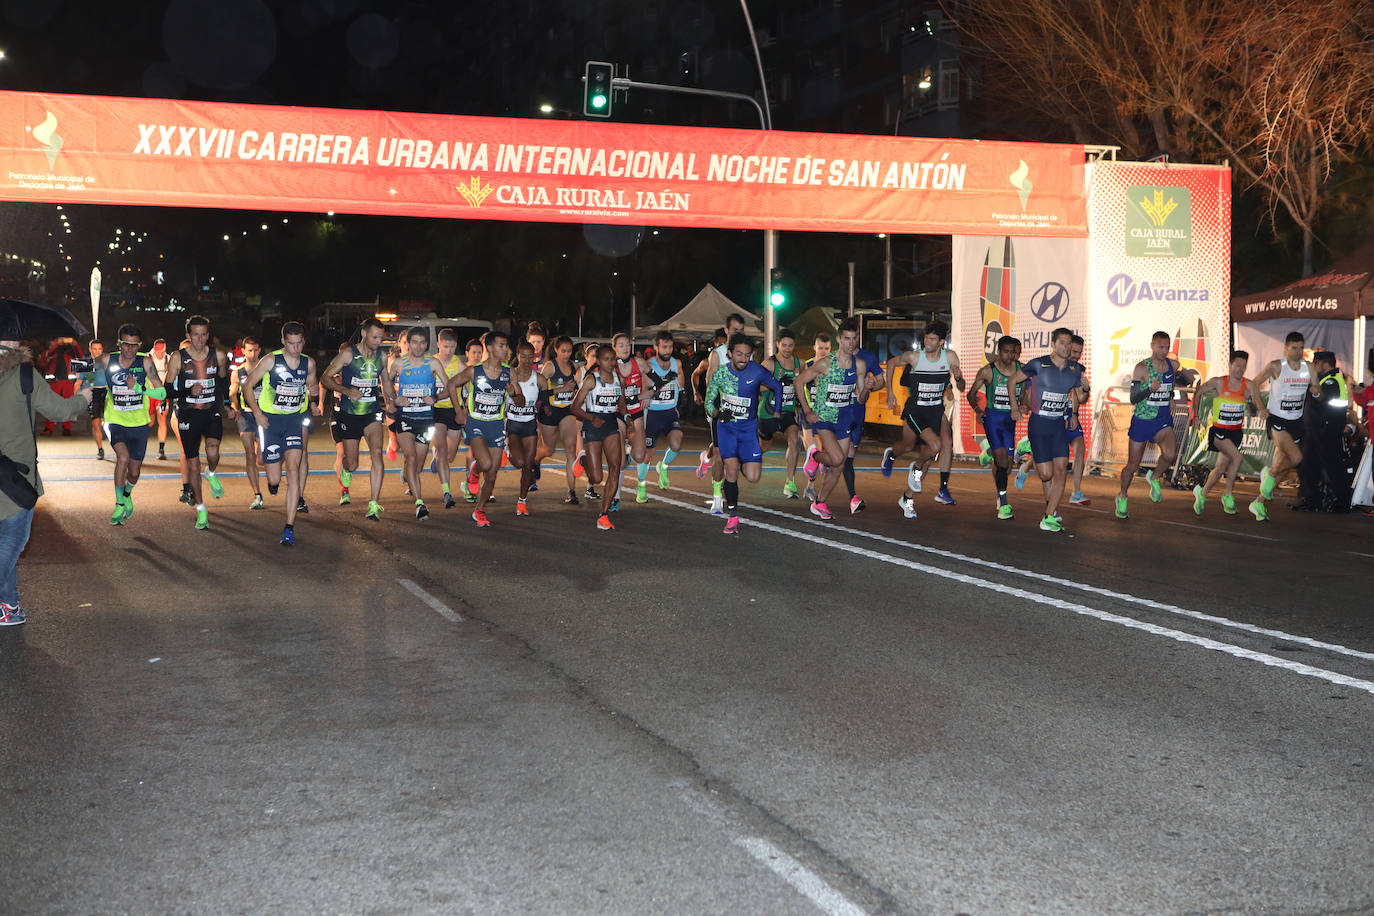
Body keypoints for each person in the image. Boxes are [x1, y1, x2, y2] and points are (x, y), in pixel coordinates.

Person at [0, 325, 93, 625]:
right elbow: (60, 411)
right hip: (15, 477)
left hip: (9, 475)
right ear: (14, 341)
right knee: (13, 542)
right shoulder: (23, 375)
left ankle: (8, 606)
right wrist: (84, 397)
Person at [244, 322, 320, 545]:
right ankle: (273, 482)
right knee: (275, 477)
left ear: (303, 342)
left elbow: (312, 387)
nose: (296, 348)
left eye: (299, 344)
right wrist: (257, 413)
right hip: (270, 421)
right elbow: (248, 386)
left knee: (294, 467)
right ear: (283, 342)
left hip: (294, 420)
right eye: (291, 344)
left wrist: (313, 397)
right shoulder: (270, 360)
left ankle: (289, 526)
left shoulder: (309, 364)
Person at [704, 333, 784, 533]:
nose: (743, 359)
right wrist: (717, 412)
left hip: (748, 430)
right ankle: (732, 516)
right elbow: (708, 401)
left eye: (747, 355)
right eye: (739, 354)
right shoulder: (721, 373)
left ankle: (738, 467)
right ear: (730, 353)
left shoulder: (758, 371)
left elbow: (778, 387)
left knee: (753, 477)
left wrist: (776, 412)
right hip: (727, 428)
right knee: (730, 469)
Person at [881, 321, 964, 507]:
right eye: (926, 337)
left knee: (932, 450)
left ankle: (908, 496)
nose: (928, 342)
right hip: (916, 411)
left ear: (942, 342)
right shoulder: (915, 357)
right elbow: (892, 363)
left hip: (935, 411)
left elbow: (962, 386)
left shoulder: (950, 357)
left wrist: (957, 378)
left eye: (933, 339)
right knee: (913, 446)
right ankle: (895, 456)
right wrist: (889, 392)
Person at [1009, 328, 1083, 532]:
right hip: (1039, 424)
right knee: (1045, 474)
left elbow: (1079, 396)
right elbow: (1012, 380)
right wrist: (1015, 407)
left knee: (1061, 472)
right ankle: (1028, 447)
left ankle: (1049, 515)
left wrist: (1080, 398)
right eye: (1062, 343)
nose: (1066, 347)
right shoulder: (1038, 364)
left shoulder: (1075, 369)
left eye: (1069, 344)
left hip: (1059, 425)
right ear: (1053, 344)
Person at [163, 315, 233, 531]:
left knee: (213, 453)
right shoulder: (178, 357)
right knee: (192, 463)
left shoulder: (218, 356)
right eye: (195, 334)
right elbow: (167, 390)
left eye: (204, 334)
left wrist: (228, 404)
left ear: (208, 335)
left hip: (210, 412)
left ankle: (211, 473)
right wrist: (187, 391)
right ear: (188, 336)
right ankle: (201, 509)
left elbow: (223, 382)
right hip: (187, 414)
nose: (200, 339)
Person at [320, 318, 392, 520]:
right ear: (364, 334)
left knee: (377, 453)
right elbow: (325, 378)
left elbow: (385, 382)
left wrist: (392, 401)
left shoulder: (382, 358)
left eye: (381, 337)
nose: (378, 341)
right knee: (352, 464)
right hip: (349, 415)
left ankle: (374, 503)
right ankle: (346, 469)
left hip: (372, 413)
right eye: (375, 337)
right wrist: (345, 390)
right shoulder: (349, 354)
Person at [795, 319, 867, 521]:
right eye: (846, 339)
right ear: (839, 339)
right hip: (824, 419)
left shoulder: (859, 365)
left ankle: (819, 503)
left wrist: (867, 388)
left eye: (854, 339)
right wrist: (807, 410)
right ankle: (815, 455)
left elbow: (860, 398)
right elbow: (799, 381)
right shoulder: (826, 363)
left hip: (844, 419)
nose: (850, 343)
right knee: (836, 459)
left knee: (839, 466)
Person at [96, 324, 166, 525]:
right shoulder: (107, 359)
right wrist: (93, 382)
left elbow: (161, 393)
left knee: (134, 471)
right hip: (115, 420)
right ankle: (119, 505)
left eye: (135, 346)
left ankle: (127, 493)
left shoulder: (145, 361)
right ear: (119, 343)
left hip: (139, 424)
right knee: (123, 458)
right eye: (126, 345)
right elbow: (86, 374)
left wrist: (139, 388)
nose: (130, 350)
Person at [447, 331, 518, 527]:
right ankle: (475, 469)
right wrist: (458, 412)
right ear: (490, 347)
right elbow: (452, 384)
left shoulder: (509, 372)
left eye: (506, 346)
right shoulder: (474, 371)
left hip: (496, 424)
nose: (505, 349)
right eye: (501, 345)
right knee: (486, 464)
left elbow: (519, 400)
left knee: (493, 473)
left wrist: (514, 393)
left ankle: (479, 510)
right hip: (476, 423)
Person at [1115, 331, 1181, 519]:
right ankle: (1123, 495)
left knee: (1170, 454)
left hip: (1162, 422)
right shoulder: (1142, 368)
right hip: (1142, 422)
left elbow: (1169, 384)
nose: (1164, 351)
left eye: (1167, 347)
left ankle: (1154, 477)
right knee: (1132, 466)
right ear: (1152, 346)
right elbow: (1133, 398)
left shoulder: (1172, 365)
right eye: (1160, 347)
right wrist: (1148, 388)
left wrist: (1170, 397)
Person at [1250, 332, 1315, 521]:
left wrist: (1317, 392)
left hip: (1297, 422)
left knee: (1282, 466)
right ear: (1286, 348)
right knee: (1296, 458)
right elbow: (1254, 384)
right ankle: (1268, 474)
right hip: (1277, 419)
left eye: (1301, 347)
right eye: (1294, 347)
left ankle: (1258, 502)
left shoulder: (1308, 368)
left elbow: (1317, 389)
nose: (1298, 351)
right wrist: (1260, 407)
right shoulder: (1276, 366)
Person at [387, 327, 449, 521]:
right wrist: (394, 400)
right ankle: (420, 503)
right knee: (412, 458)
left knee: (418, 466)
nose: (418, 346)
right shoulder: (398, 364)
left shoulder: (433, 363)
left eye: (422, 342)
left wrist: (436, 397)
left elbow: (451, 387)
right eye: (415, 342)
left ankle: (407, 473)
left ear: (427, 344)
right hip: (404, 419)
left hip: (426, 420)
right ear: (408, 344)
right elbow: (386, 385)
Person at [1191, 351, 1264, 516]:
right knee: (1237, 457)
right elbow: (1199, 392)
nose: (1241, 369)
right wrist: (1196, 416)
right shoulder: (1219, 382)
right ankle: (1227, 494)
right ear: (1230, 365)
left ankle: (1201, 495)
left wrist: (1250, 400)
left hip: (1236, 432)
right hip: (1219, 431)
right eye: (1238, 365)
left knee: (1220, 468)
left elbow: (1253, 412)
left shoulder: (1249, 385)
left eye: (1244, 366)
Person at [693, 314, 746, 513]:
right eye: (735, 330)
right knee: (720, 454)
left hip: (740, 408)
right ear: (727, 331)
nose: (738, 333)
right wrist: (712, 408)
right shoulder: (717, 354)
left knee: (735, 454)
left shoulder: (746, 353)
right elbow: (710, 383)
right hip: (720, 407)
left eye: (741, 330)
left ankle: (708, 462)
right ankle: (717, 497)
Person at [569, 344, 625, 530]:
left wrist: (627, 417)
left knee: (615, 467)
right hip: (593, 425)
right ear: (599, 361)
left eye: (613, 359)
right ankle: (583, 460)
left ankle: (604, 515)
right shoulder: (592, 380)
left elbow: (621, 403)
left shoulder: (618, 379)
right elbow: (575, 407)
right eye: (607, 359)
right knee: (596, 478)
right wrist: (592, 418)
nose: (611, 363)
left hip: (610, 425)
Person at [966, 335, 1023, 519]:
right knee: (1002, 460)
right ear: (999, 351)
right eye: (1006, 351)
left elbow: (1029, 391)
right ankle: (1003, 502)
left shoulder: (1022, 370)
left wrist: (1025, 405)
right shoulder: (988, 371)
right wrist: (977, 410)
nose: (1010, 356)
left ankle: (990, 455)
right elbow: (971, 394)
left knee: (1006, 466)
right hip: (993, 420)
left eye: (1013, 352)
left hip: (1010, 422)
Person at [1297, 351, 1354, 512]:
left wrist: (1314, 393)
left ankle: (1341, 503)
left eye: (1316, 364)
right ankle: (1312, 500)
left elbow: (1322, 402)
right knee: (1309, 466)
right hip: (1320, 431)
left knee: (1332, 467)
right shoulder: (1328, 379)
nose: (1314, 367)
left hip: (1326, 432)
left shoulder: (1331, 381)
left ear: (1323, 364)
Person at [757, 328, 805, 499]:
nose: (787, 349)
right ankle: (742, 461)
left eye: (790, 345)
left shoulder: (801, 364)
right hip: (768, 412)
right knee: (764, 447)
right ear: (777, 344)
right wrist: (775, 384)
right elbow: (756, 387)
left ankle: (789, 482)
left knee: (794, 440)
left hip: (788, 411)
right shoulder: (769, 364)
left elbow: (803, 385)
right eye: (783, 345)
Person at [643, 330, 693, 491]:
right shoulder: (649, 365)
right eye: (664, 347)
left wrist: (681, 390)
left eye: (670, 347)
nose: (668, 351)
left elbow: (680, 383)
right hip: (651, 413)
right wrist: (662, 382)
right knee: (647, 454)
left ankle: (663, 466)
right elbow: (644, 391)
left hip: (670, 412)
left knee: (677, 443)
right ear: (656, 347)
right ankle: (641, 485)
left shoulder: (676, 363)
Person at [537, 335, 583, 504]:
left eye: (569, 351)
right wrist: (560, 389)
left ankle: (571, 491)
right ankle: (536, 460)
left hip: (566, 411)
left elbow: (577, 388)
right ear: (556, 350)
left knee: (570, 450)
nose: (566, 354)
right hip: (549, 411)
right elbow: (539, 390)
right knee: (548, 450)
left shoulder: (573, 366)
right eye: (563, 351)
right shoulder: (550, 367)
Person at [428, 328, 466, 508]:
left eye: (451, 347)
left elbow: (470, 385)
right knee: (443, 450)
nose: (448, 350)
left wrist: (466, 408)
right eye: (445, 346)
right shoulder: (431, 363)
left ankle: (436, 455)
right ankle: (447, 492)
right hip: (435, 410)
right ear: (438, 345)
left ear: (456, 346)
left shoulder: (459, 365)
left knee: (450, 456)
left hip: (454, 410)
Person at [613, 332, 651, 506]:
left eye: (627, 344)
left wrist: (648, 394)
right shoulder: (610, 365)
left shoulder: (640, 363)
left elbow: (660, 380)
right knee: (619, 462)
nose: (625, 348)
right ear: (614, 348)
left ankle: (628, 452)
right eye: (621, 345)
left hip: (636, 412)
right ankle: (616, 497)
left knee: (639, 455)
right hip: (618, 413)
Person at [227, 336, 265, 509]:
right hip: (246, 416)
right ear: (243, 351)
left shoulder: (266, 369)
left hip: (264, 415)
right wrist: (235, 408)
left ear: (260, 350)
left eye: (256, 350)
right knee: (249, 455)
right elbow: (232, 393)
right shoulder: (238, 372)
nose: (252, 353)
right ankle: (257, 494)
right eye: (249, 350)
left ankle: (262, 452)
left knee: (262, 459)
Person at [505, 341, 541, 515]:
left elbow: (548, 397)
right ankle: (507, 448)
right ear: (518, 356)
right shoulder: (510, 376)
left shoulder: (539, 378)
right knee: (518, 461)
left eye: (530, 356)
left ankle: (522, 501)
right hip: (512, 423)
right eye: (523, 356)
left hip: (529, 424)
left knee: (528, 464)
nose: (527, 360)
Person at [1065, 335, 1092, 505]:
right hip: (1055, 417)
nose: (1076, 355)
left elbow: (1081, 398)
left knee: (1080, 448)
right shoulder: (1054, 366)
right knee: (1048, 462)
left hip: (1072, 417)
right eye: (1074, 351)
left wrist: (1086, 388)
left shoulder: (1078, 369)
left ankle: (1076, 492)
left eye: (1079, 352)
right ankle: (1027, 465)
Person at [39, 337, 82, 436]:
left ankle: (66, 428)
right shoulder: (52, 351)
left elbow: (80, 356)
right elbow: (43, 362)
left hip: (68, 383)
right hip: (55, 382)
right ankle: (49, 428)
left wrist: (75, 344)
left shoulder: (71, 351)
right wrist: (58, 344)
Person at [147, 337, 173, 460]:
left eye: (163, 352)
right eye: (158, 352)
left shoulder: (168, 359)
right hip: (149, 393)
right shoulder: (147, 358)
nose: (160, 354)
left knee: (162, 418)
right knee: (149, 422)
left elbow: (169, 376)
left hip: (162, 394)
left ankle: (161, 450)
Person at [87, 339, 107, 459]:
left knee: (112, 422)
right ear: (90, 350)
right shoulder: (86, 363)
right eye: (94, 349)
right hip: (93, 393)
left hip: (106, 393)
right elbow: (79, 383)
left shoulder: (107, 361)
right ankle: (100, 449)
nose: (97, 351)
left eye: (99, 349)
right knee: (96, 424)